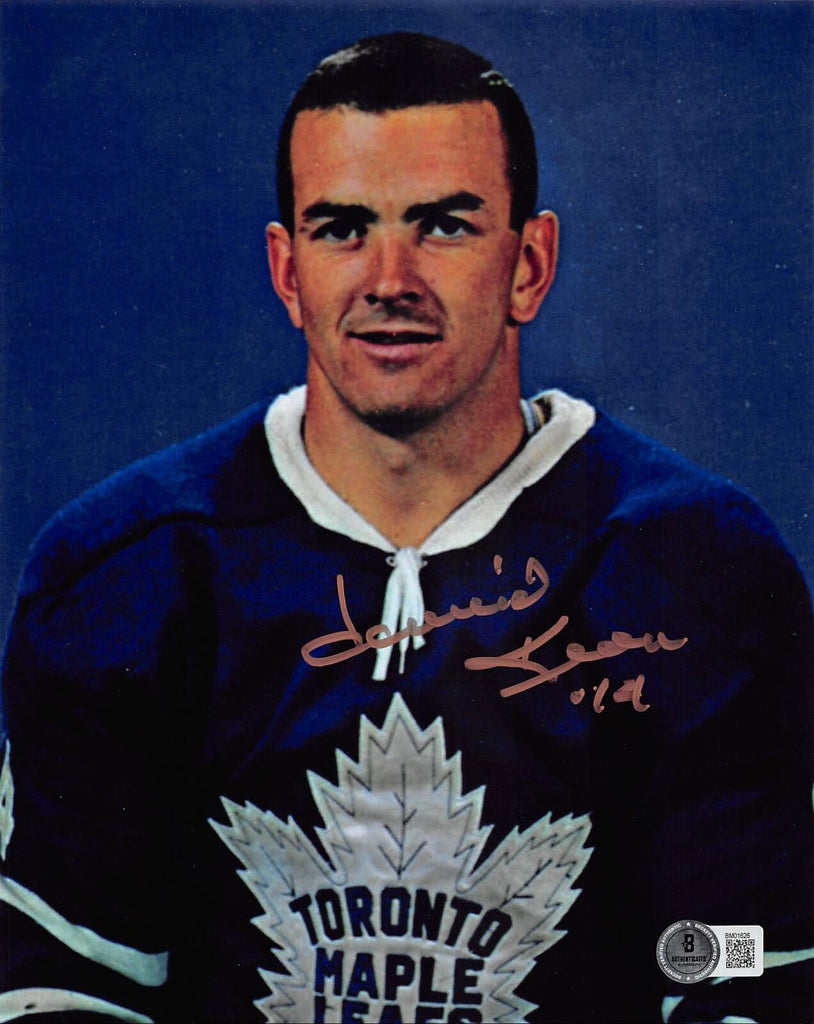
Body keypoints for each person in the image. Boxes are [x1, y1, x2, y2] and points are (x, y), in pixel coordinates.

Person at [0, 31, 811, 1024]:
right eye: (343, 228)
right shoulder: (126, 575)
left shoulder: (695, 570)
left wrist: (722, 971)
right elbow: (72, 976)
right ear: (287, 271)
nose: (389, 278)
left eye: (444, 226)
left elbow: (741, 965)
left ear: (530, 264)